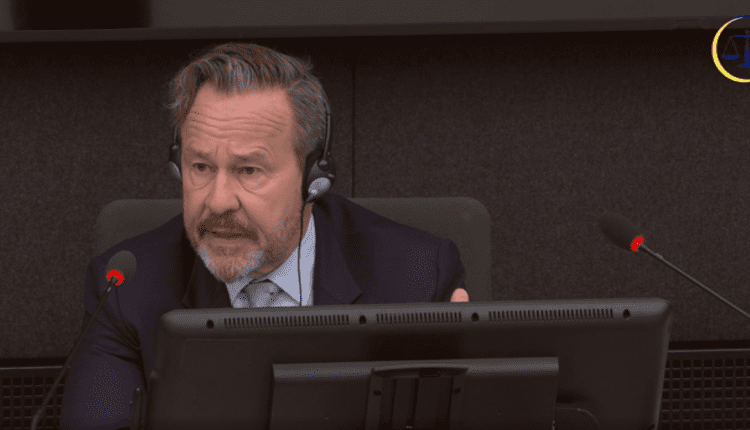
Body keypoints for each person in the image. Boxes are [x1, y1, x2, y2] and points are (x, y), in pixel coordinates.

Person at [60, 42, 469, 430]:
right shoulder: (124, 289)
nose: (218, 201)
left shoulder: (417, 280)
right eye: (200, 167)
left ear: (314, 178)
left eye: (249, 170)